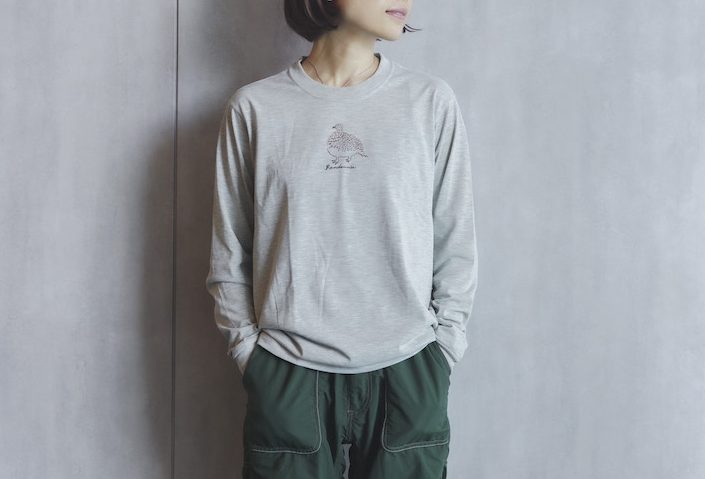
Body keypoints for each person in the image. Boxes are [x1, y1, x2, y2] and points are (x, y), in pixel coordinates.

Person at [205, 0, 479, 477]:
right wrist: (251, 354)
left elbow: (454, 237)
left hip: (409, 367)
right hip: (288, 368)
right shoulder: (255, 108)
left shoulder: (429, 101)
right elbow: (230, 252)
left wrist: (444, 347)